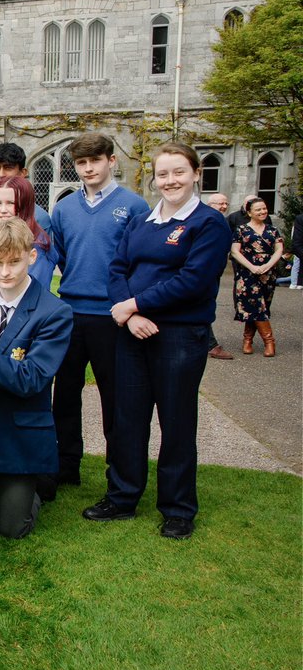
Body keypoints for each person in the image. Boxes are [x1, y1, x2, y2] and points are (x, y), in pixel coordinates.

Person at [85, 142, 231, 540]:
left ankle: (178, 508)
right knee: (128, 419)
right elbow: (117, 268)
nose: (170, 181)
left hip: (180, 336)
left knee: (176, 421)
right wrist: (130, 316)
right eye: (163, 174)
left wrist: (132, 304)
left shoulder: (209, 224)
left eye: (178, 172)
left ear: (196, 173)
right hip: (133, 334)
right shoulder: (142, 222)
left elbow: (193, 281)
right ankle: (122, 497)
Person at [0, 218, 72, 539]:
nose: (5, 272)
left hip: (17, 416)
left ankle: (36, 484)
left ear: (31, 257)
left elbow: (31, 379)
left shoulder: (55, 312)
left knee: (12, 529)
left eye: (15, 262)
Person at [48, 132, 150, 493]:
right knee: (65, 394)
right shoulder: (63, 209)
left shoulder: (135, 207)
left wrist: (132, 308)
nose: (88, 168)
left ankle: (118, 472)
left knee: (115, 397)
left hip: (113, 316)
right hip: (71, 312)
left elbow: (141, 264)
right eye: (81, 163)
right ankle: (66, 465)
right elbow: (54, 258)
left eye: (95, 161)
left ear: (111, 161)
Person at [0, 176, 58, 293]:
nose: (2, 210)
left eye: (10, 203)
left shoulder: (37, 244)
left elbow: (34, 293)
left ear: (25, 205)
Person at [0, 142, 51, 250]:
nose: (1, 174)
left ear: (23, 172)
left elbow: (42, 261)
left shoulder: (39, 217)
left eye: (8, 168)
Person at [231, 196, 283, 357]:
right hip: (247, 273)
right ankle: (269, 341)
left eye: (264, 208)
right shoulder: (241, 229)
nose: (263, 211)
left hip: (268, 274)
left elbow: (279, 249)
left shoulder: (272, 230)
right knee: (256, 306)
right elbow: (234, 251)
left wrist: (267, 266)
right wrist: (252, 267)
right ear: (249, 212)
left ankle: (247, 339)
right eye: (258, 209)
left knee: (262, 306)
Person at [204, 193, 234, 360]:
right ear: (210, 204)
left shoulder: (218, 219)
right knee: (203, 306)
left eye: (226, 203)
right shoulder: (211, 219)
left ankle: (208, 343)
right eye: (220, 203)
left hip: (213, 272)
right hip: (206, 273)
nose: (224, 206)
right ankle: (210, 345)